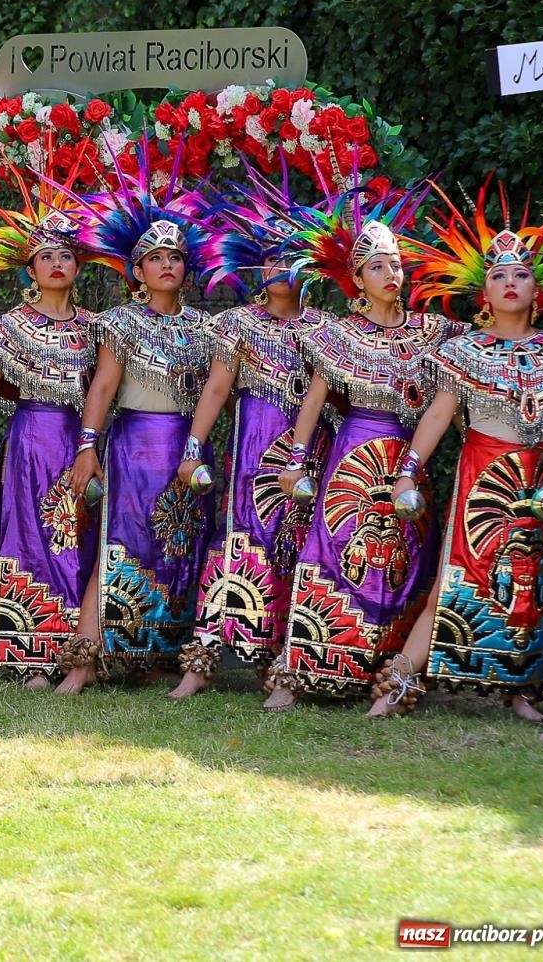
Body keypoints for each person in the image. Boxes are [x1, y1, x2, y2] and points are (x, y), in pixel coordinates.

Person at [377, 181, 543, 733]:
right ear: (484, 293)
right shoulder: (464, 352)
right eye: (499, 275)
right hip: (484, 478)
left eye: (521, 274)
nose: (510, 283)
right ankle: (399, 684)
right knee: (456, 581)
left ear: (538, 290)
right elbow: (437, 414)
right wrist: (407, 470)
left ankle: (525, 690)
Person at [271, 186, 466, 711]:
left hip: (408, 459)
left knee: (403, 559)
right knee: (334, 554)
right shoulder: (338, 335)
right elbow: (313, 403)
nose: (390, 275)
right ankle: (299, 673)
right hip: (354, 454)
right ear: (357, 279)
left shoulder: (433, 332)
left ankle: (383, 671)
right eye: (377, 267)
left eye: (396, 265)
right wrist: (295, 460)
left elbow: (481, 346)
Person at [60, 150, 235, 695]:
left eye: (175, 258)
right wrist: (87, 446)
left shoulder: (209, 329)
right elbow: (104, 388)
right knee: (121, 543)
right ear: (137, 272)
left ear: (186, 270)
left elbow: (216, 391)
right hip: (135, 446)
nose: (167, 265)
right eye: (154, 258)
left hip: (187, 449)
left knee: (181, 549)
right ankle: (85, 660)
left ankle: (156, 655)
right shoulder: (121, 323)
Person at [0, 164, 117, 688]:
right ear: (30, 270)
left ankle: (72, 651)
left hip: (80, 442)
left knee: (78, 540)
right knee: (30, 538)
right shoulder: (12, 325)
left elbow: (105, 392)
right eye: (47, 257)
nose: (57, 264)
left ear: (77, 265)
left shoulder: (97, 328)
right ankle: (31, 655)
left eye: (65, 255)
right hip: (31, 441)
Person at [170, 171, 334, 698]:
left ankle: (284, 665)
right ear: (257, 268)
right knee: (239, 547)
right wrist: (193, 450)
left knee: (300, 550)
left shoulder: (327, 328)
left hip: (312, 454)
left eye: (293, 258)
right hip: (252, 454)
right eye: (272, 258)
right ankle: (200, 664)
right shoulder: (239, 324)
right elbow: (215, 393)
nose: (282, 268)